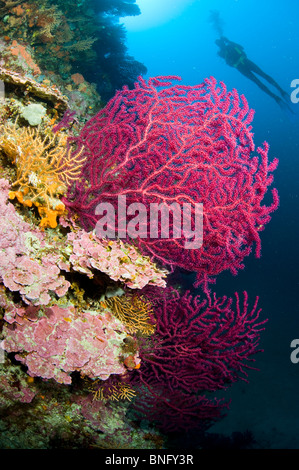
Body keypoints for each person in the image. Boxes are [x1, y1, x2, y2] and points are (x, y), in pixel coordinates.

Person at [215, 36, 290, 108]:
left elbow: (241, 48)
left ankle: (281, 92)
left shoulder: (230, 46)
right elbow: (229, 62)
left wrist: (228, 41)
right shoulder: (222, 52)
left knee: (263, 76)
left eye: (221, 42)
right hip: (242, 66)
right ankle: (276, 97)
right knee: (258, 81)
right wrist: (227, 44)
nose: (221, 44)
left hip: (245, 63)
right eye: (219, 43)